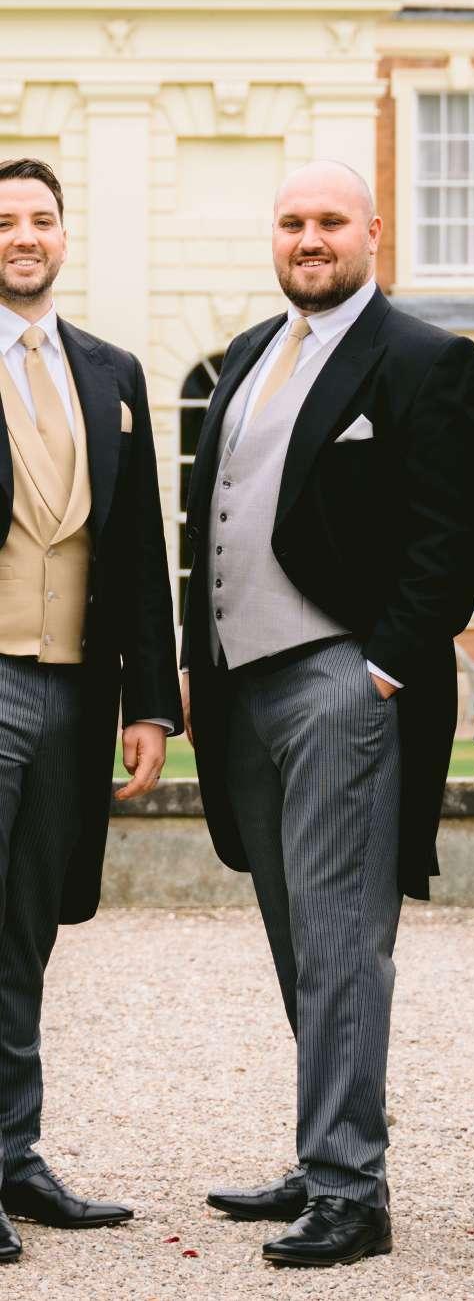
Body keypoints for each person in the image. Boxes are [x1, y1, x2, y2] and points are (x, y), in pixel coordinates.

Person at [181, 161, 474, 1270]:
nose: (308, 238)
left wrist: (385, 669)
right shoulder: (247, 355)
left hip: (341, 681)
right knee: (292, 933)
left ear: (372, 231)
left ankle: (353, 1190)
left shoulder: (425, 358)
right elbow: (211, 523)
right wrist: (196, 662)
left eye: (328, 221)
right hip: (241, 689)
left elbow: (452, 535)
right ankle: (325, 1154)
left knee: (342, 942)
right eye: (290, 222)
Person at [0, 159, 180, 1265]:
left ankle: (13, 1154)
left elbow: (140, 545)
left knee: (28, 933)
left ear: (65, 234)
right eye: (3, 220)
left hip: (75, 688)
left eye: (40, 218)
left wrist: (150, 699)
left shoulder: (111, 371)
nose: (23, 235)